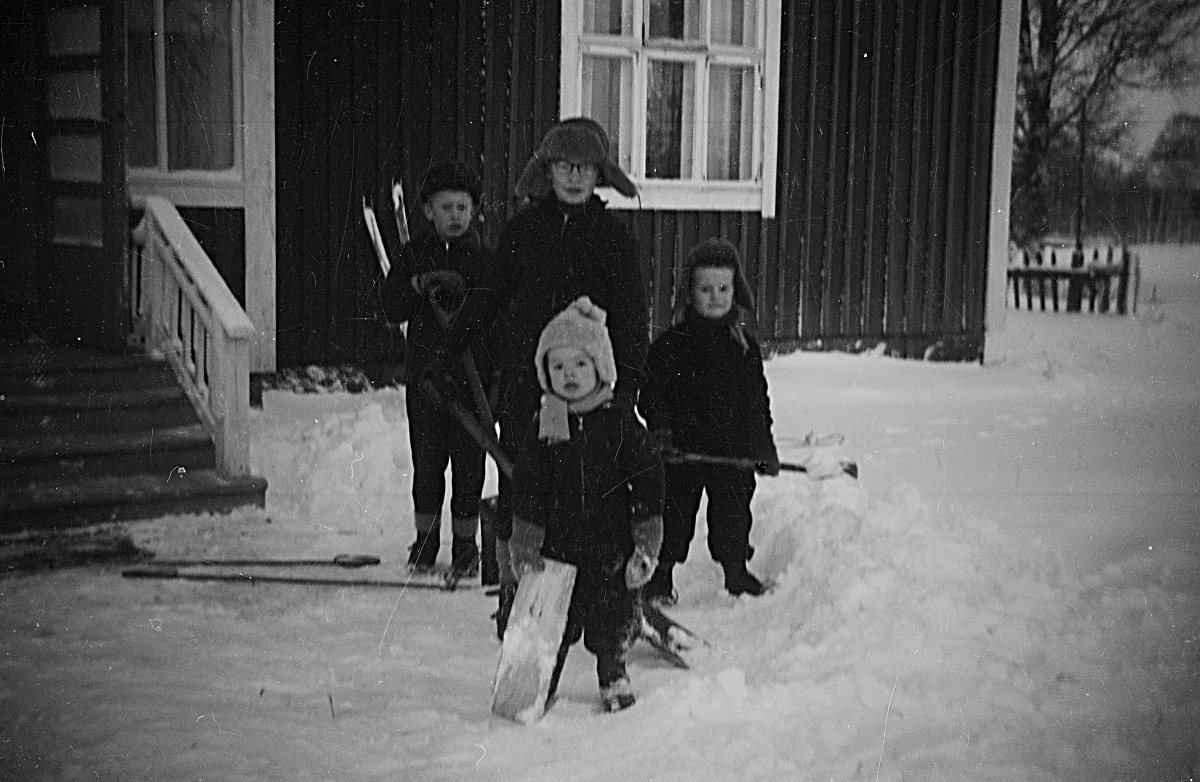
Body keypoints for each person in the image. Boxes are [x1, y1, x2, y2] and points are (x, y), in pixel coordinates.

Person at [439, 118, 649, 636]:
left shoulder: (615, 240)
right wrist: (449, 349)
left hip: (595, 395)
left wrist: (625, 392)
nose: (574, 176)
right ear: (546, 171)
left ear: (600, 174)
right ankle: (520, 597)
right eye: (563, 166)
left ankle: (604, 600)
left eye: (584, 167)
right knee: (523, 488)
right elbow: (488, 296)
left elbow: (631, 320)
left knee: (597, 494)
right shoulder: (524, 233)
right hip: (532, 393)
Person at [506, 297, 664, 713]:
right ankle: (544, 674)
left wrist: (646, 539)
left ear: (601, 367)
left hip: (611, 545)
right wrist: (525, 539)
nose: (568, 375)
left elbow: (648, 482)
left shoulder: (620, 421)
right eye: (557, 367)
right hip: (558, 549)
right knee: (552, 621)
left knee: (612, 615)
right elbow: (529, 487)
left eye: (579, 364)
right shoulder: (544, 425)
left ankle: (612, 669)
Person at [639, 238, 781, 604]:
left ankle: (736, 571)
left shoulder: (743, 346)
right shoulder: (671, 345)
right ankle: (661, 576)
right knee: (674, 513)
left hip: (731, 453)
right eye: (705, 289)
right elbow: (652, 394)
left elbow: (755, 403)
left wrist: (762, 449)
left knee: (733, 511)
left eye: (723, 288)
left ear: (736, 291)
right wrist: (662, 432)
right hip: (681, 453)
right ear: (689, 293)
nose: (715, 297)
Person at [380, 160, 496, 577]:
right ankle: (426, 542)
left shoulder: (484, 261)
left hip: (472, 383)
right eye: (445, 208)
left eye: (462, 208)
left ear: (474, 210)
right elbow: (391, 306)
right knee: (427, 467)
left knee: (469, 470)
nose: (455, 216)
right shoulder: (413, 255)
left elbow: (497, 318)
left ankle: (466, 547)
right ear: (428, 210)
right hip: (425, 382)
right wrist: (415, 285)